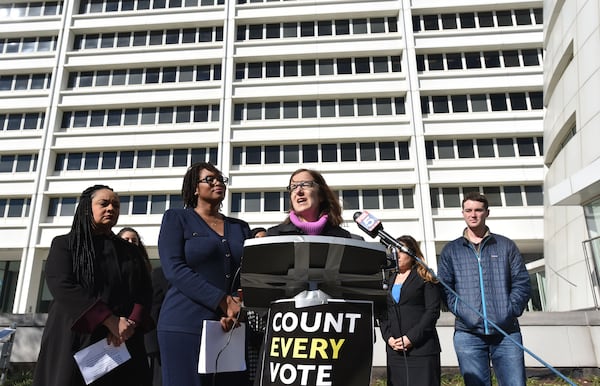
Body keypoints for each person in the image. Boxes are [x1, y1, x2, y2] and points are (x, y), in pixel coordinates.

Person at [32, 185, 153, 386]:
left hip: (122, 341)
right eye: (104, 203)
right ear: (87, 208)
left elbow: (145, 292)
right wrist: (109, 320)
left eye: (115, 205)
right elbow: (63, 286)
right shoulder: (65, 244)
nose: (111, 209)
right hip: (76, 337)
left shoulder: (130, 251)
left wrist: (129, 324)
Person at [157, 162, 251, 386]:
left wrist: (237, 303)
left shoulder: (240, 227)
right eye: (210, 179)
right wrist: (222, 300)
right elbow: (174, 269)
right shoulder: (176, 218)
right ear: (195, 189)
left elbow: (249, 272)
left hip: (229, 325)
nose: (218, 182)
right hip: (184, 324)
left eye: (220, 179)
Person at [437, 191, 531, 386]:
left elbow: (521, 281)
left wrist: (509, 310)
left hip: (506, 332)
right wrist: (463, 312)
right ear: (462, 213)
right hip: (467, 333)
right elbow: (445, 288)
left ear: (487, 213)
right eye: (468, 210)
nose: (473, 214)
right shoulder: (451, 250)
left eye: (478, 210)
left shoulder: (505, 246)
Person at [378, 235, 442, 386]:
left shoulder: (425, 276)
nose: (397, 254)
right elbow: (382, 312)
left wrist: (411, 338)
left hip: (421, 350)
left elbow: (432, 311)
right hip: (395, 350)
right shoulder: (388, 278)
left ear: (412, 254)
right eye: (394, 250)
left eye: (401, 250)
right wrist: (388, 338)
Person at [117, 226, 163, 386]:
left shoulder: (149, 272)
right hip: (113, 329)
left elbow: (148, 302)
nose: (130, 243)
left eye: (134, 240)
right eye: (126, 239)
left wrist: (133, 321)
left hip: (137, 332)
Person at [266, 168, 354, 238]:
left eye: (305, 185)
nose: (299, 191)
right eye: (294, 187)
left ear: (321, 195)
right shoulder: (274, 235)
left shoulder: (342, 237)